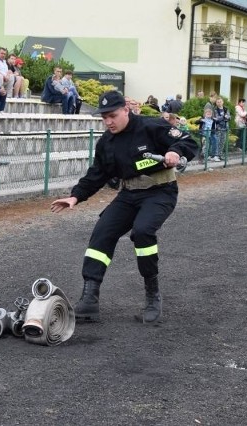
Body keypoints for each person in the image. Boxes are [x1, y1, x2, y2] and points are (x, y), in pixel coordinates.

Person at [50, 90, 198, 324]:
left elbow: (188, 141)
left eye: (113, 115)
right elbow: (97, 174)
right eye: (104, 117)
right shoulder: (106, 142)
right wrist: (75, 196)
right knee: (101, 234)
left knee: (142, 232)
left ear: (126, 110)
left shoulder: (152, 126)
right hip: (129, 194)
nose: (108, 121)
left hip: (160, 191)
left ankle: (152, 296)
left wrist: (174, 151)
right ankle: (89, 299)